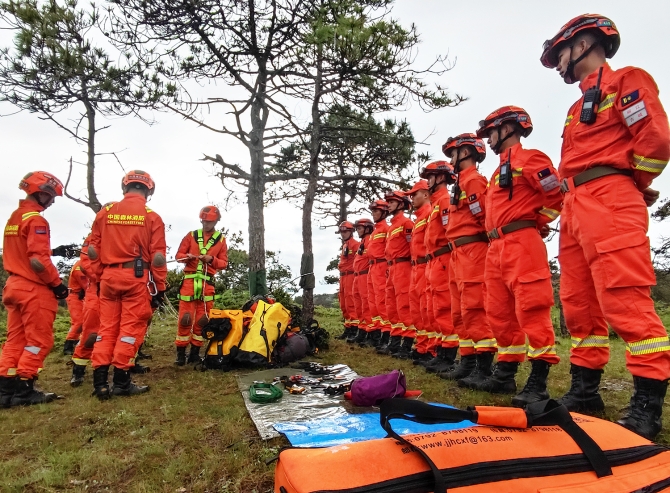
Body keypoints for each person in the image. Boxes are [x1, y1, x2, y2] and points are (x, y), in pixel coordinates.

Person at [542, 14, 670, 438]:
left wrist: (634, 183)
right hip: (575, 206)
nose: (557, 62)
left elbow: (655, 141)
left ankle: (647, 408)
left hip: (610, 202)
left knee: (625, 302)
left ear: (582, 44)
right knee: (578, 305)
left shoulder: (627, 80)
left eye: (559, 53)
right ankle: (584, 393)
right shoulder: (575, 107)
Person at [475, 108, 562, 407]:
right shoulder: (493, 174)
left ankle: (538, 381)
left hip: (522, 242)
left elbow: (556, 195)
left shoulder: (532, 158)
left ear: (509, 128)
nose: (489, 140)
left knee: (531, 308)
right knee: (498, 312)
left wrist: (538, 222)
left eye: (491, 133)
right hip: (496, 247)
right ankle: (506, 373)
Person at [88, 170, 167, 400]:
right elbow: (158, 258)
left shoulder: (106, 213)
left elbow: (93, 249)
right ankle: (121, 382)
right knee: (129, 330)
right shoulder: (152, 217)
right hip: (135, 278)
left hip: (108, 278)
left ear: (125, 187)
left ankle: (100, 383)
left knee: (106, 329)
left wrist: (99, 277)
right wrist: (160, 287)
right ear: (148, 190)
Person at [0, 171, 68, 407]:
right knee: (38, 340)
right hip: (33, 288)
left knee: (15, 340)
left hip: (13, 285)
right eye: (51, 197)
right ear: (42, 193)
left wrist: (54, 252)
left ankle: (5, 389)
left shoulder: (14, 218)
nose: (52, 202)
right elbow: (37, 261)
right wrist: (58, 285)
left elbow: (21, 252)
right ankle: (25, 388)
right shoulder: (37, 220)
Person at [439, 134, 497, 388]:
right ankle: (468, 361)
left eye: (453, 153)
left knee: (474, 307)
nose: (450, 158)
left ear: (466, 154)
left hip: (473, 249)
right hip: (458, 252)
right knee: (459, 311)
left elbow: (485, 216)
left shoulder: (474, 181)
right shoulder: (461, 185)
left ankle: (484, 366)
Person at [174, 206, 228, 365]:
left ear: (216, 221)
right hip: (189, 282)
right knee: (185, 319)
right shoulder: (191, 236)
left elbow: (224, 263)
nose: (206, 224)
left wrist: (211, 260)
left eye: (209, 221)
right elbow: (178, 257)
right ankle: (180, 354)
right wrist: (187, 257)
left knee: (202, 320)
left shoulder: (221, 240)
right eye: (204, 221)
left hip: (207, 284)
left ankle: (195, 353)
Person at [420, 161, 459, 374]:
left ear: (441, 178)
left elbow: (449, 230)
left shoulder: (444, 200)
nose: (428, 182)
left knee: (444, 306)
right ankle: (443, 351)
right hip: (435, 261)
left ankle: (448, 355)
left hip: (443, 258)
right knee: (436, 308)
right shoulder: (437, 203)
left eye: (431, 177)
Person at [381, 191, 414, 358]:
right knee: (392, 306)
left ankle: (407, 344)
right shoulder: (392, 226)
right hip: (392, 268)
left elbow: (412, 247)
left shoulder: (407, 223)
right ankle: (394, 343)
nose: (389, 205)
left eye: (392, 202)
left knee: (404, 305)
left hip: (403, 266)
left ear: (401, 204)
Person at [405, 180, 435, 364]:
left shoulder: (430, 213)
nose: (411, 198)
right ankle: (422, 346)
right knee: (418, 311)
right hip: (416, 267)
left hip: (427, 265)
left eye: (414, 194)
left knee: (428, 309)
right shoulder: (418, 219)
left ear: (425, 194)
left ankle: (431, 350)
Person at [70, 233, 100, 386]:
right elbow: (85, 263)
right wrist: (107, 276)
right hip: (98, 290)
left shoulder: (130, 233)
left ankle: (121, 370)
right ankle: (78, 371)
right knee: (90, 334)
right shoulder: (93, 237)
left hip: (122, 291)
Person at [364, 200, 390, 349]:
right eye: (372, 211)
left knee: (382, 301)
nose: (373, 214)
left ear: (384, 212)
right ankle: (377, 333)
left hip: (381, 266)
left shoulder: (386, 229)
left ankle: (386, 336)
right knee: (373, 302)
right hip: (372, 268)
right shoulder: (374, 232)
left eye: (376, 211)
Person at [348, 218, 374, 344]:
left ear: (367, 229)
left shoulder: (369, 240)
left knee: (366, 304)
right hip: (357, 276)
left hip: (364, 275)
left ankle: (370, 332)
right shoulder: (363, 242)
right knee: (358, 304)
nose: (357, 231)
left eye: (359, 228)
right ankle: (362, 330)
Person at [335, 221, 360, 341]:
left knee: (351, 302)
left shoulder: (356, 245)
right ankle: (348, 327)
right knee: (343, 302)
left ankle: (354, 329)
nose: (343, 234)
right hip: (343, 276)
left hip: (351, 275)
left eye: (345, 231)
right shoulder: (345, 245)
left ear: (351, 232)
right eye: (342, 232)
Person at [63, 259, 87, 355]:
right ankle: (68, 345)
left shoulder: (84, 264)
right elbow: (86, 285)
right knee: (79, 321)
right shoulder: (79, 266)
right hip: (75, 296)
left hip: (80, 296)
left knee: (81, 321)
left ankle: (75, 342)